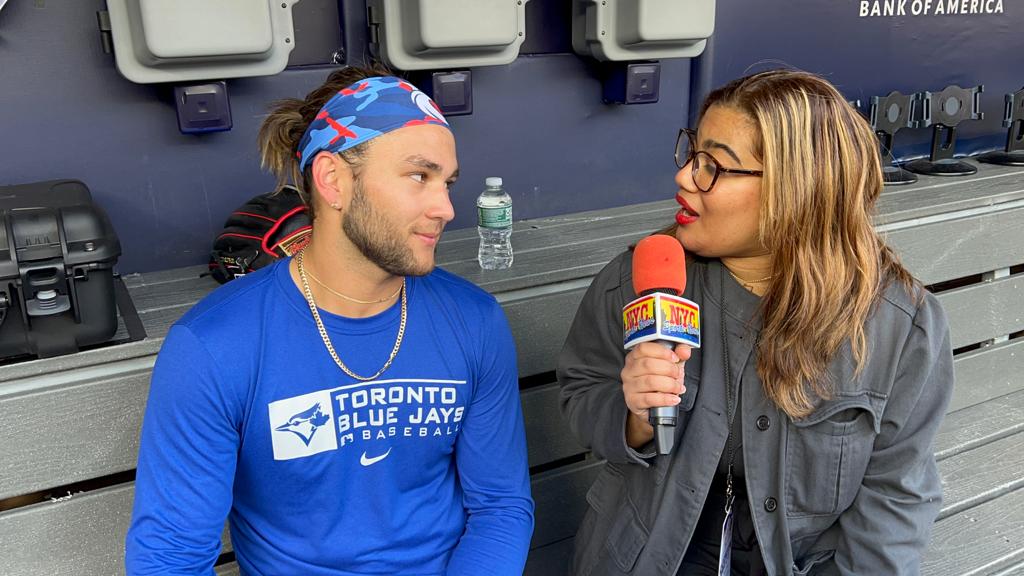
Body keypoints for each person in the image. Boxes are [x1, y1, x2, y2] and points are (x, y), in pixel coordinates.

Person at [125, 66, 534, 575]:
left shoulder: (474, 321)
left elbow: (499, 507)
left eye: (447, 182)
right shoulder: (214, 346)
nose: (446, 207)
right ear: (333, 180)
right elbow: (171, 557)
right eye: (418, 176)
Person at [558, 69, 954, 575]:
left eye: (714, 166)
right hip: (644, 553)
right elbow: (581, 390)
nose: (684, 177)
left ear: (797, 189)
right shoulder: (639, 279)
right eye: (691, 153)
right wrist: (634, 417)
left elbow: (896, 500)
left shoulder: (900, 326)